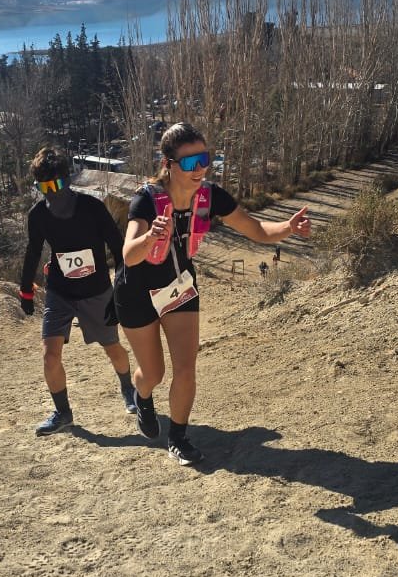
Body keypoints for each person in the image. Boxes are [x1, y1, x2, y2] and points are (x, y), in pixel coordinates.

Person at [114, 122, 311, 465]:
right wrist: (150, 237)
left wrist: (288, 228)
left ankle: (178, 438)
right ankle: (142, 396)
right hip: (136, 293)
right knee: (153, 374)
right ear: (168, 164)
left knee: (186, 367)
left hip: (179, 288)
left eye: (205, 159)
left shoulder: (210, 196)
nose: (200, 169)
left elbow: (256, 230)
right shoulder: (146, 200)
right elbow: (129, 255)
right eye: (191, 162)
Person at [20, 148, 138, 436]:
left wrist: (123, 282)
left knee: (112, 347)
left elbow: (117, 245)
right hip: (60, 291)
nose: (52, 192)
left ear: (67, 180)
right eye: (44, 187)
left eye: (57, 184)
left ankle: (128, 388)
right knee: (49, 356)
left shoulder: (91, 207)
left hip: (96, 290)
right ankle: (63, 413)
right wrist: (25, 290)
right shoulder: (38, 215)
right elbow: (33, 251)